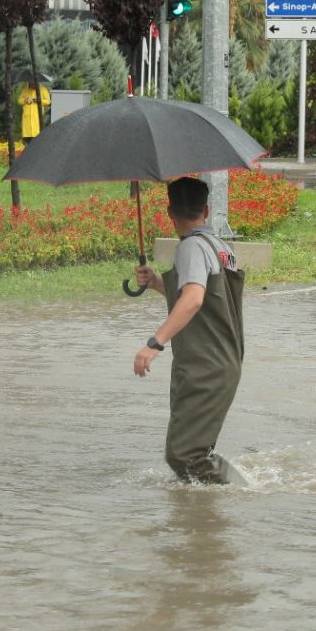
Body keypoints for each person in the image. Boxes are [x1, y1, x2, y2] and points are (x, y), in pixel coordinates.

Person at [132, 177, 245, 484]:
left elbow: (194, 299)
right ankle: (202, 514)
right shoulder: (221, 247)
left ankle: (246, 494)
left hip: (204, 365)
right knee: (195, 452)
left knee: (184, 454)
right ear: (206, 210)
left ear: (170, 212)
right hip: (223, 360)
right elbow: (208, 301)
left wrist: (155, 343)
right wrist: (157, 282)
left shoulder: (191, 248)